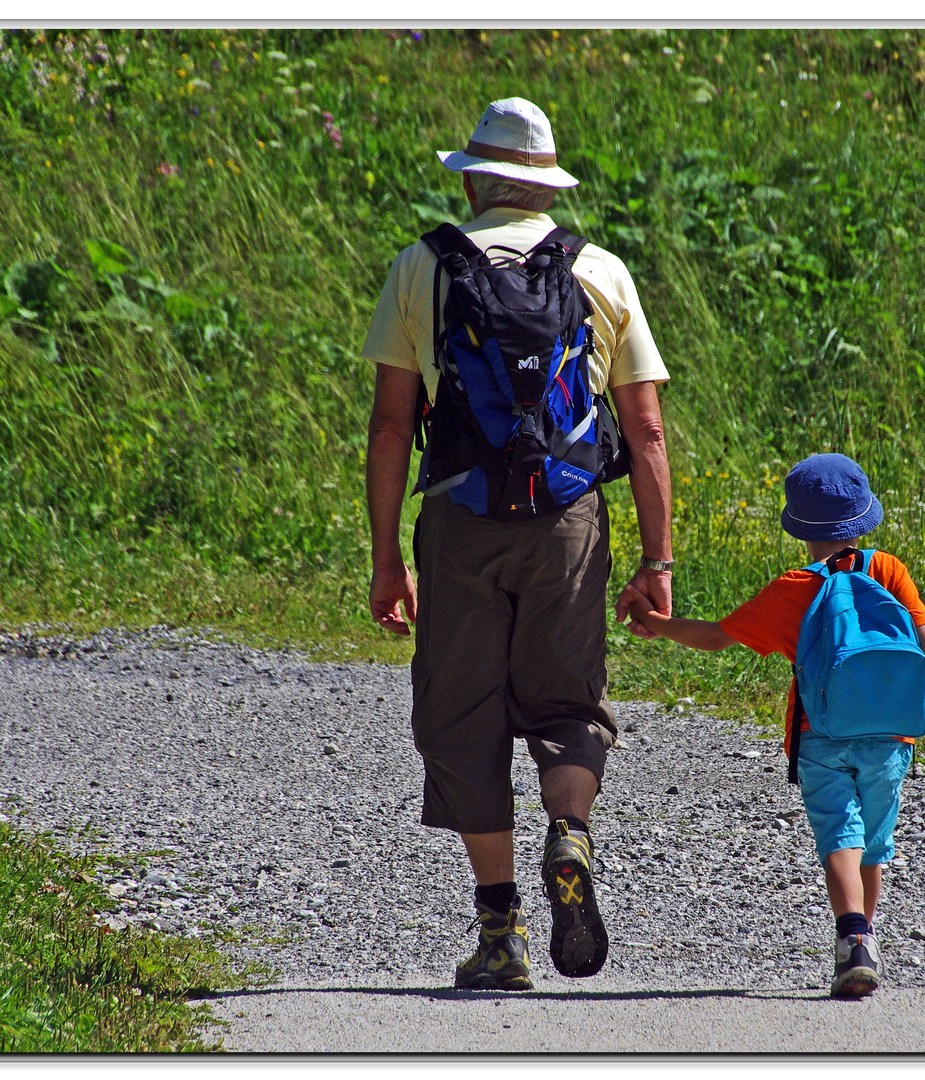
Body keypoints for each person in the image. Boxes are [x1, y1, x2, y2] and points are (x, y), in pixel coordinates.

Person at [361, 98, 675, 990]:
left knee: (461, 714)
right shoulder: (602, 271)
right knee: (566, 698)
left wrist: (388, 558)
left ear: (471, 177)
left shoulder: (421, 267)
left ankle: (501, 933)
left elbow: (392, 427)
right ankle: (568, 831)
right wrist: (656, 565)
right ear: (544, 184)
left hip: (460, 519)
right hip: (569, 520)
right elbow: (644, 430)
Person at [625, 452, 925, 998]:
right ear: (865, 517)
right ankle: (866, 937)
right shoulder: (889, 571)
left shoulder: (796, 586)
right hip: (892, 736)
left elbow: (717, 635)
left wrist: (657, 624)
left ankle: (852, 938)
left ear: (799, 526)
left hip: (820, 733)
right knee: (874, 837)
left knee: (838, 830)